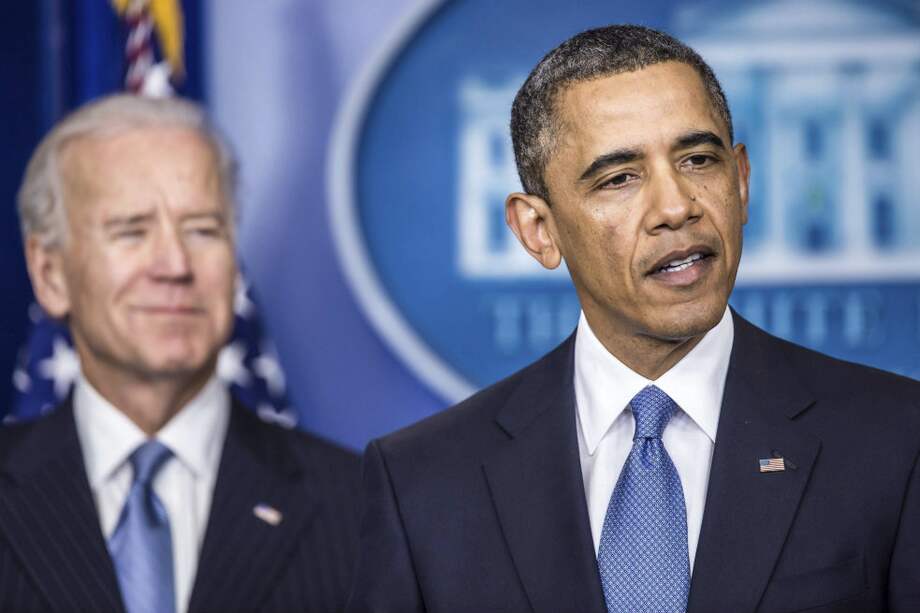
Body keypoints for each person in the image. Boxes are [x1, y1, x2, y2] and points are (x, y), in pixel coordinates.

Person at [346, 25, 920, 613]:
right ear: (538, 230)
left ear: (741, 181)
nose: (676, 207)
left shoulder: (898, 439)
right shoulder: (421, 483)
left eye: (698, 160)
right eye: (619, 178)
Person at [0, 94, 359, 613]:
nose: (174, 265)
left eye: (203, 230)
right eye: (131, 231)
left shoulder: (361, 507)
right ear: (50, 274)